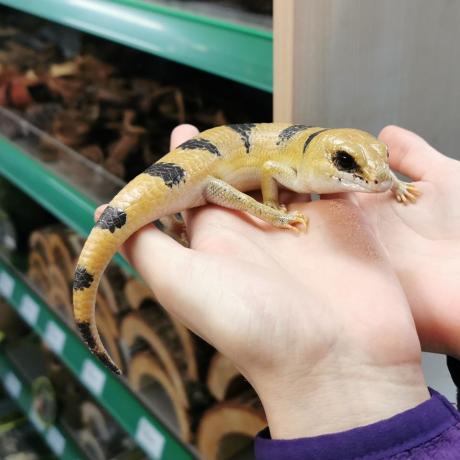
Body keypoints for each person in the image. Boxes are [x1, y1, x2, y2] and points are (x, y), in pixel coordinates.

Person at [97, 124, 460, 459]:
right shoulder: (291, 169)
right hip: (204, 170)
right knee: (195, 194)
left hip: (214, 163)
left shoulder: (332, 167)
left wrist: (393, 184)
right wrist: (269, 212)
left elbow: (376, 172)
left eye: (380, 162)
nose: (378, 177)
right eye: (347, 163)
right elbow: (267, 169)